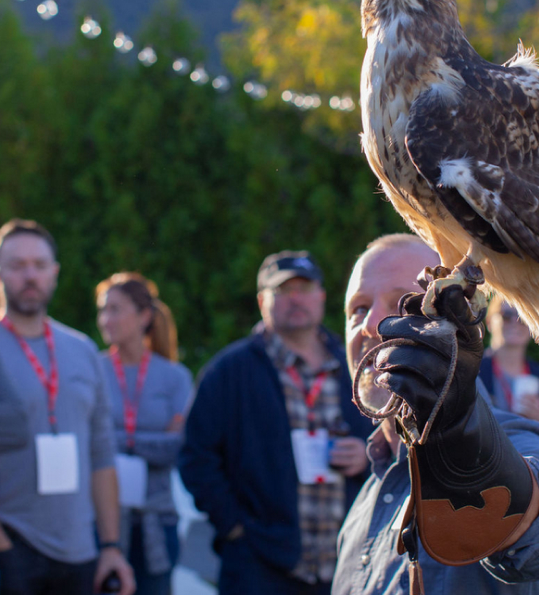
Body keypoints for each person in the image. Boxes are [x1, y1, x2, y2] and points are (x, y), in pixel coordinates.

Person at [333, 233, 539, 594]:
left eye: (401, 302)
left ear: (458, 321)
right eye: (357, 308)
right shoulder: (367, 498)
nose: (370, 323)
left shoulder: (523, 442)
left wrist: (454, 430)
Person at [179, 250, 374, 595]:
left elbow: (396, 441)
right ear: (261, 301)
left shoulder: (357, 365)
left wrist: (367, 456)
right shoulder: (230, 371)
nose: (295, 298)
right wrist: (235, 528)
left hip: (349, 563)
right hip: (260, 568)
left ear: (322, 296)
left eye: (304, 288)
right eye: (283, 291)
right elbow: (196, 457)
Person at [0, 219, 134, 595]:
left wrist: (110, 547)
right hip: (13, 546)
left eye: (40, 265)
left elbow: (101, 453)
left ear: (55, 273)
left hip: (80, 551)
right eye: (17, 265)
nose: (30, 275)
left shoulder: (81, 351)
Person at [96, 272, 193, 595]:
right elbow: (88, 445)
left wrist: (116, 438)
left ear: (144, 316)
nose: (105, 319)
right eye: (102, 310)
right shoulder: (92, 370)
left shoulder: (174, 377)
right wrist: (150, 439)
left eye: (115, 309)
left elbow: (178, 446)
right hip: (103, 523)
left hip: (157, 520)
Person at [479, 297, 539, 431]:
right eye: (506, 316)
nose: (515, 322)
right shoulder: (474, 371)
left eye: (523, 318)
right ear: (489, 322)